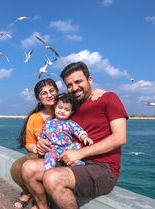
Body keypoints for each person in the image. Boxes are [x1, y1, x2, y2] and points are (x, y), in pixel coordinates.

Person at [22, 62, 128, 209]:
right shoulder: (72, 107)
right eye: (69, 85)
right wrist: (41, 141)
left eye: (79, 81)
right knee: (27, 168)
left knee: (52, 178)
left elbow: (120, 137)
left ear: (89, 80)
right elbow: (55, 126)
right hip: (69, 160)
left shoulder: (108, 98)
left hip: (102, 168)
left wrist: (79, 153)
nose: (74, 87)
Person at [10, 79, 58, 209]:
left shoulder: (66, 109)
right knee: (17, 167)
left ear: (57, 92)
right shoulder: (34, 117)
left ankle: (40, 201)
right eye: (44, 93)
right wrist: (38, 147)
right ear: (39, 98)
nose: (49, 95)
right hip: (41, 155)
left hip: (61, 155)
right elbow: (29, 143)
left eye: (52, 91)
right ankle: (31, 192)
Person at [39, 93, 93, 171]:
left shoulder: (70, 123)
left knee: (77, 145)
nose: (62, 111)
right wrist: (41, 140)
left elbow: (78, 131)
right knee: (49, 156)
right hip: (52, 149)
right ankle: (48, 170)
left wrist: (85, 137)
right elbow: (41, 136)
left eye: (67, 109)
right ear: (55, 107)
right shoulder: (48, 123)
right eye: (60, 107)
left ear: (71, 112)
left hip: (67, 149)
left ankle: (74, 162)